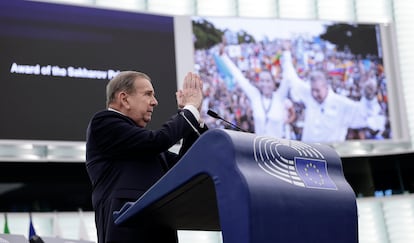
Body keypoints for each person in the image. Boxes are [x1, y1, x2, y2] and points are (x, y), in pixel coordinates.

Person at [85, 70, 207, 243]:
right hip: (128, 235)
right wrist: (189, 111)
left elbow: (184, 167)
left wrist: (195, 118)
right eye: (148, 94)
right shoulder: (103, 123)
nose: (155, 102)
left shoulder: (144, 145)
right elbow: (158, 140)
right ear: (124, 99)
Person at [282, 50, 365, 143]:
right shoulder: (309, 95)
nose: (314, 94)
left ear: (326, 87)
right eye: (312, 90)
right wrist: (286, 54)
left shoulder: (342, 103)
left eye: (317, 91)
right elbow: (292, 80)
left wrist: (369, 97)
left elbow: (364, 113)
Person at [219, 50, 296, 139]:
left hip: (278, 148)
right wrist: (224, 57)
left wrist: (286, 53)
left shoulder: (279, 97)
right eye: (262, 81)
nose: (265, 84)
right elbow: (239, 77)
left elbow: (287, 78)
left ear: (273, 83)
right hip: (259, 148)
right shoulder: (255, 97)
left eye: (268, 81)